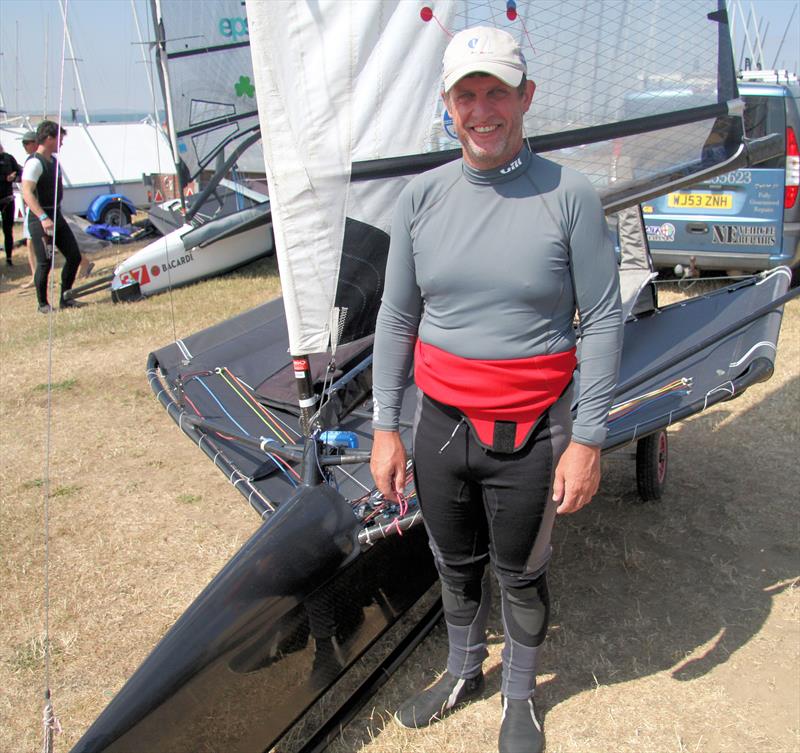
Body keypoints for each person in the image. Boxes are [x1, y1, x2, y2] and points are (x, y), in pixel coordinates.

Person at [370, 27, 623, 753]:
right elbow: (397, 314)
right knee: (453, 561)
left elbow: (603, 318)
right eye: (466, 95)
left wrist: (589, 438)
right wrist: (387, 425)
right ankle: (460, 672)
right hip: (441, 425)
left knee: (519, 570)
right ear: (447, 105)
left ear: (526, 98)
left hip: (533, 432)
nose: (482, 110)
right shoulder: (420, 198)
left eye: (496, 92)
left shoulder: (570, 196)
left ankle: (521, 695)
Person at [21, 120, 84, 313]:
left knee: (74, 256)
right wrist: (42, 218)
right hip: (40, 219)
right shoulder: (34, 163)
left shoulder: (53, 161)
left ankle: (66, 297)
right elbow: (27, 193)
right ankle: (43, 305)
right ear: (49, 139)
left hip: (56, 215)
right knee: (45, 262)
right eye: (60, 139)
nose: (61, 143)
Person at [19, 131, 39, 287]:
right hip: (33, 206)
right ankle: (35, 275)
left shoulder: (36, 161)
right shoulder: (31, 160)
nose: (24, 146)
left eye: (26, 143)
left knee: (56, 239)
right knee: (30, 242)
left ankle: (83, 260)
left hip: (37, 206)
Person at [0, 141, 21, 266]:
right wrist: (5, 178)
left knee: (8, 230)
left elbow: (20, 171)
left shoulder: (8, 158)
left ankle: (9, 258)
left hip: (7, 199)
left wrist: (15, 175)